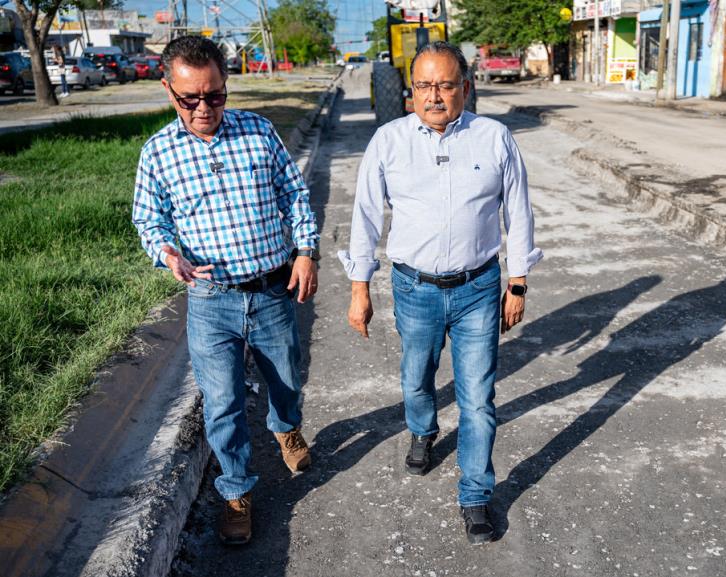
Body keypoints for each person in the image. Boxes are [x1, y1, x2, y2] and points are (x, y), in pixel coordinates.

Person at [340, 40, 542, 545]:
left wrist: (517, 281)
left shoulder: (494, 138)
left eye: (445, 85)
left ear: (465, 89)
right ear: (411, 91)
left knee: (478, 400)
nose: (435, 96)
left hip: (478, 287)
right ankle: (423, 428)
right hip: (414, 288)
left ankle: (475, 496)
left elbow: (517, 214)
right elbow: (364, 218)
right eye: (424, 86)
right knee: (417, 377)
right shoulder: (388, 141)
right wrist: (358, 288)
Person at [131, 35, 320, 545]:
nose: (203, 108)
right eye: (189, 98)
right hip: (210, 301)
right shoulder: (157, 154)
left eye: (214, 96)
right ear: (169, 90)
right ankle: (236, 492)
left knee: (285, 382)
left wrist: (305, 251)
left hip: (271, 291)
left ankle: (286, 427)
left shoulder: (259, 132)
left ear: (226, 86)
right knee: (222, 404)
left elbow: (294, 195)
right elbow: (150, 221)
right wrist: (167, 252)